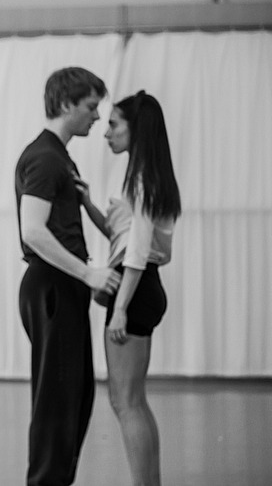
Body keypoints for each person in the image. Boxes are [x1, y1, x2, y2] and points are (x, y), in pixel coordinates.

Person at [14, 66, 122, 485]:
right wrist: (88, 273)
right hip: (52, 286)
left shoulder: (56, 155)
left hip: (60, 286)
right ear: (65, 104)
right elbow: (33, 231)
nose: (97, 116)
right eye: (91, 107)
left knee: (74, 397)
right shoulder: (45, 157)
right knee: (58, 404)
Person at [76, 91, 181, 486]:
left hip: (134, 288)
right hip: (142, 285)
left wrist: (120, 308)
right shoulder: (148, 176)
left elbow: (136, 252)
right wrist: (88, 204)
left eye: (114, 124)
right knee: (133, 400)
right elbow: (123, 238)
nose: (107, 133)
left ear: (137, 129)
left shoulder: (141, 179)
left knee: (125, 402)